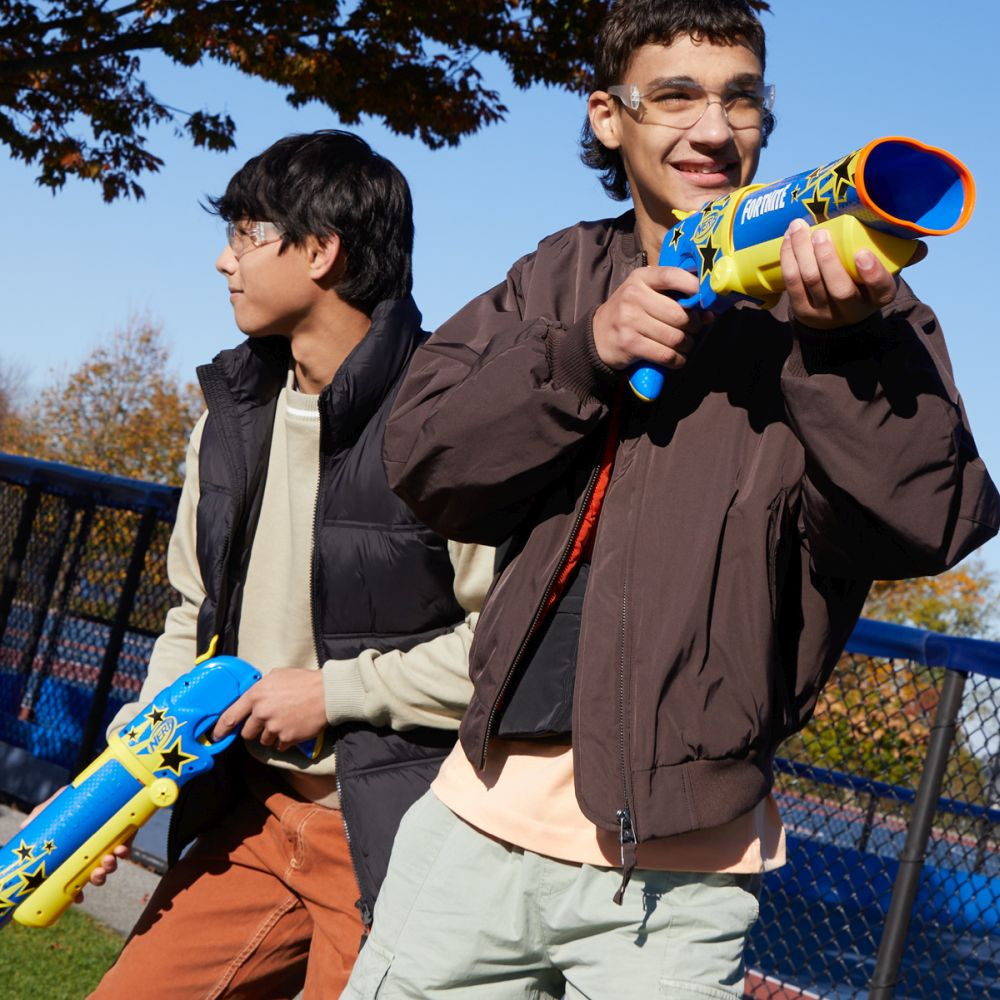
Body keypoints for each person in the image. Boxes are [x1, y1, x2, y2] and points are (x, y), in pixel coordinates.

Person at [342, 2, 999, 998]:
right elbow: (427, 463)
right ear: (609, 116)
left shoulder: (860, 307)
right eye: (678, 96)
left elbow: (929, 522)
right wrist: (584, 352)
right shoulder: (556, 275)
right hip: (471, 829)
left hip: (681, 882)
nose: (714, 129)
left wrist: (843, 351)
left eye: (741, 99)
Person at [78, 130, 492, 998]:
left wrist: (334, 694)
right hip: (255, 815)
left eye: (246, 233)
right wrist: (123, 786)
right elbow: (192, 614)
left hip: (400, 840)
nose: (222, 259)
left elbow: (507, 649)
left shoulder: (450, 421)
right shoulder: (228, 418)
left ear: (321, 252)